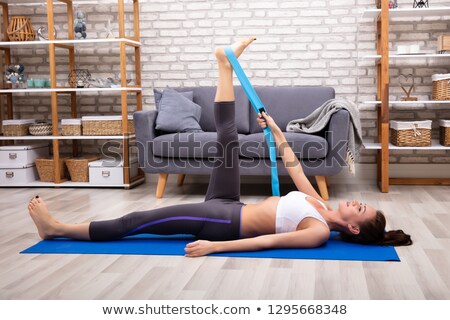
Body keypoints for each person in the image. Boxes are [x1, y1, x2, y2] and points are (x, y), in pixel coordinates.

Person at [28, 37, 412, 257]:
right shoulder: (318, 207)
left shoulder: (318, 231)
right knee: (228, 139)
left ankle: (57, 229)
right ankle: (223, 66)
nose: (355, 203)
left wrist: (214, 248)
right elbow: (295, 169)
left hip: (224, 223)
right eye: (360, 203)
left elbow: (269, 242)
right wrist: (278, 132)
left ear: (353, 229)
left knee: (139, 222)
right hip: (232, 204)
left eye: (359, 209)